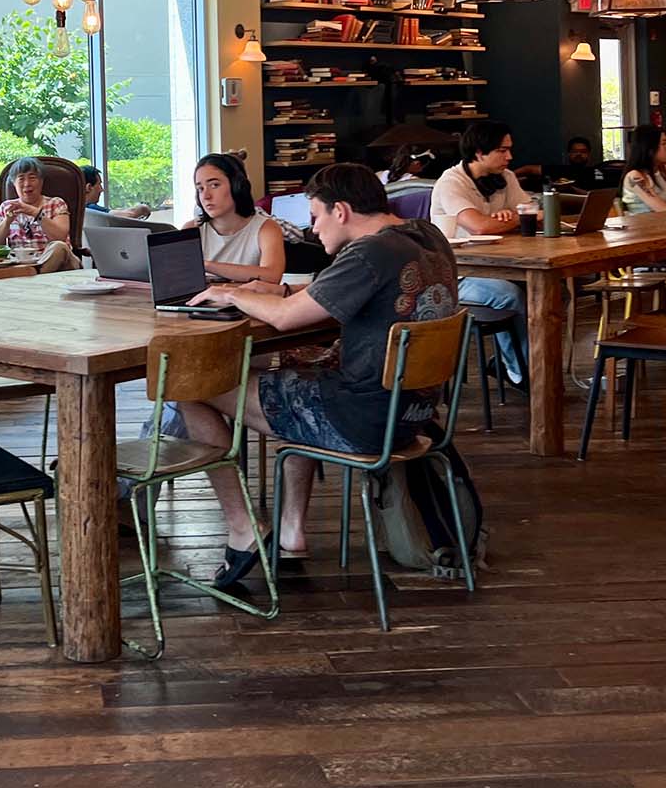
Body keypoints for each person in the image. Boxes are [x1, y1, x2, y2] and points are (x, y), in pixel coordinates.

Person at [178, 163, 459, 584]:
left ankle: (242, 529)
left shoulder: (370, 252)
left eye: (315, 217)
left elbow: (288, 320)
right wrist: (281, 290)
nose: (312, 230)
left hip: (362, 418)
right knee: (299, 369)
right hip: (415, 414)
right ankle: (291, 533)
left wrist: (229, 292)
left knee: (189, 385)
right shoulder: (425, 236)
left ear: (341, 211)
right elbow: (321, 297)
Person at [430, 120, 529, 383]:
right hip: (455, 274)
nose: (510, 156)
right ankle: (522, 373)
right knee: (510, 296)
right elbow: (480, 227)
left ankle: (523, 365)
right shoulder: (452, 182)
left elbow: (533, 212)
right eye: (502, 150)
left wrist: (509, 219)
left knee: (541, 291)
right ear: (479, 152)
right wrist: (513, 220)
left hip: (498, 264)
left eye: (509, 149)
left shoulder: (505, 178)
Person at [184, 153, 285, 283]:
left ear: (237, 186)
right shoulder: (191, 229)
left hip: (248, 302)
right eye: (200, 189)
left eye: (214, 185)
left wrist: (206, 265)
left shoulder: (266, 228)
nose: (206, 196)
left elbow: (272, 276)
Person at [0, 156, 75, 268]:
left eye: (32, 178)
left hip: (57, 263)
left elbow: (60, 237)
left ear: (41, 181)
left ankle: (37, 273)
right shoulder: (7, 207)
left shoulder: (56, 203)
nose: (27, 184)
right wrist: (7, 221)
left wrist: (35, 212)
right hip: (20, 265)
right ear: (14, 184)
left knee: (59, 247)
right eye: (21, 179)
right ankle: (33, 274)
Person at [619, 124, 666, 214]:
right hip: (644, 225)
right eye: (663, 143)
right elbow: (662, 209)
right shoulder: (635, 176)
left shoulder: (665, 169)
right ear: (649, 148)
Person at [81, 163, 151, 220]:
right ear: (89, 187)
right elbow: (128, 215)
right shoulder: (90, 208)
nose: (102, 189)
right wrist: (142, 208)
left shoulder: (75, 209)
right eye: (99, 184)